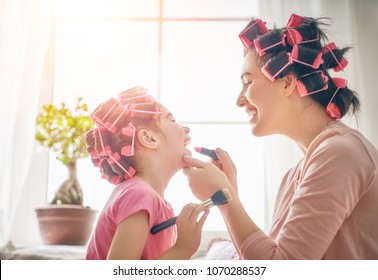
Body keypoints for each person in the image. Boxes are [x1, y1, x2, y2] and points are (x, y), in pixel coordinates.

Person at [182, 14, 378, 259]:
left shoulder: (340, 153)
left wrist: (225, 197)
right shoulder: (293, 177)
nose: (239, 100)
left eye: (248, 82)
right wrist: (228, 192)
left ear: (287, 84)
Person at [85, 86, 209, 260]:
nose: (186, 129)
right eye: (172, 120)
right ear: (149, 139)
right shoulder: (139, 194)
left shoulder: (146, 197)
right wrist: (183, 248)